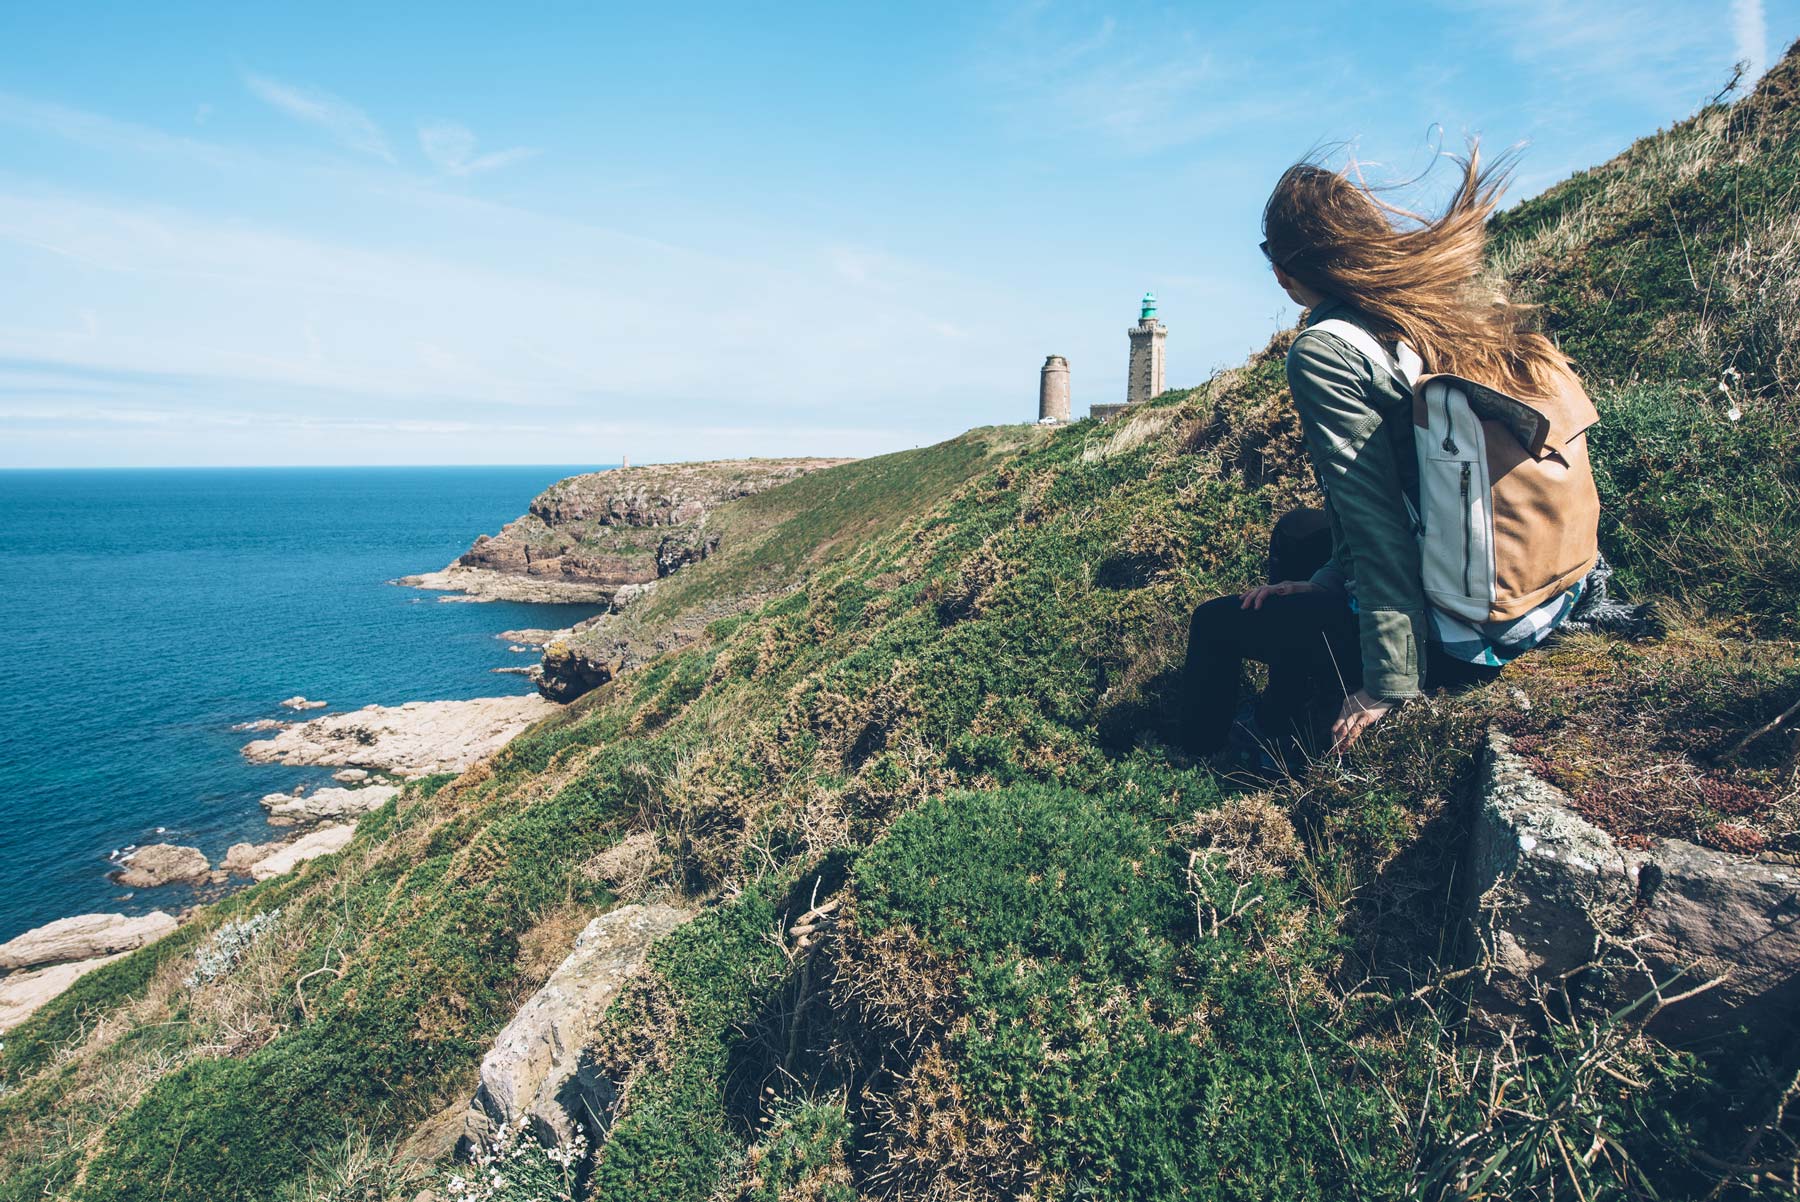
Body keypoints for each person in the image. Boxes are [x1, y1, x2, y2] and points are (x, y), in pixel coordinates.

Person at [1182, 145, 1595, 771]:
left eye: (1273, 257)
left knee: (1213, 626)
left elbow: (1378, 525)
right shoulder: (1416, 311)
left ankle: (1195, 762)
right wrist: (1324, 581)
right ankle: (1285, 707)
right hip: (1541, 589)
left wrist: (1389, 682)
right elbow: (1404, 488)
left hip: (1463, 633)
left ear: (1290, 269)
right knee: (1298, 534)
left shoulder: (1324, 351)